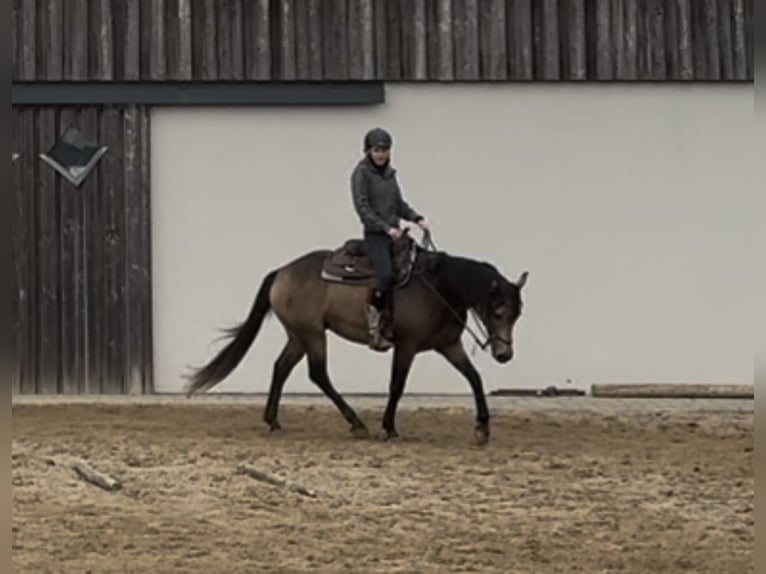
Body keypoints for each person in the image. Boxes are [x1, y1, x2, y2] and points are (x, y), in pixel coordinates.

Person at [350, 127, 430, 351]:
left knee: (416, 267)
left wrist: (417, 218)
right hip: (376, 235)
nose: (381, 154)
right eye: (376, 150)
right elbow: (363, 207)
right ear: (368, 151)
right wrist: (387, 229)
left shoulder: (390, 174)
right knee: (385, 274)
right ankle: (374, 325)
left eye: (384, 150)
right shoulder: (361, 173)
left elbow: (398, 204)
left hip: (395, 233)